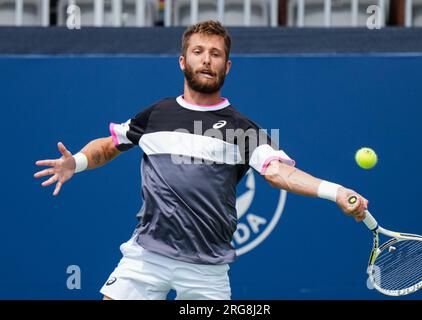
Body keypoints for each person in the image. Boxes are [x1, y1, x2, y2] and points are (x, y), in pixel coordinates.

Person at [34, 20, 368, 300]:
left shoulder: (242, 128)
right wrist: (74, 162)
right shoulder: (155, 114)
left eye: (215, 54)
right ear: (183, 61)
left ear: (227, 65)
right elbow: (109, 145)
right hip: (147, 256)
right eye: (198, 52)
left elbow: (278, 173)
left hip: (206, 268)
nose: (206, 60)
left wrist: (334, 191)